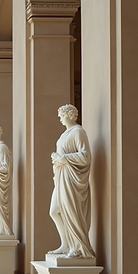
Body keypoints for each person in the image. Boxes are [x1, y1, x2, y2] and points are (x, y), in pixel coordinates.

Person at [48, 104, 94, 258]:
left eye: (61, 115)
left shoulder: (78, 132)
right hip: (61, 176)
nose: (59, 117)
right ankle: (66, 244)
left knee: (71, 211)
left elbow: (85, 156)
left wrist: (64, 158)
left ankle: (79, 247)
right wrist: (57, 159)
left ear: (69, 114)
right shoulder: (65, 134)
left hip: (71, 178)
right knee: (54, 211)